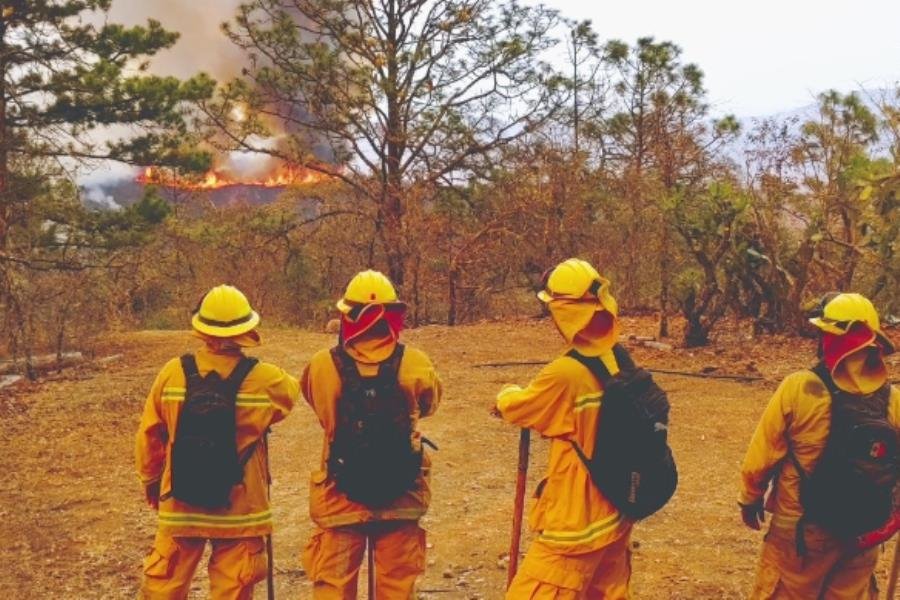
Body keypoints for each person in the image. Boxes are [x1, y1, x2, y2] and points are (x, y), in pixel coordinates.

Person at [135, 284, 298, 600]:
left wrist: (152, 482)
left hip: (180, 504)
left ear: (201, 329)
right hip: (241, 509)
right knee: (232, 589)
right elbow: (291, 394)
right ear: (247, 328)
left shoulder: (172, 373)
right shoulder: (265, 379)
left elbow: (150, 434)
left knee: (162, 588)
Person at [739, 292, 899, 599]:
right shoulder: (893, 400)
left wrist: (750, 498)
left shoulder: (800, 387)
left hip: (801, 532)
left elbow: (760, 458)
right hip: (863, 534)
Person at [496, 258, 634, 599]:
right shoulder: (619, 358)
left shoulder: (565, 373)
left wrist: (504, 396)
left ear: (562, 312)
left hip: (576, 525)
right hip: (617, 513)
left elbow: (519, 407)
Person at [301, 270, 442, 599]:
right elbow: (430, 404)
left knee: (333, 586)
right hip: (402, 493)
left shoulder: (322, 365)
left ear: (346, 315)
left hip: (340, 495)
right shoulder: (416, 362)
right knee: (397, 585)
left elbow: (320, 409)